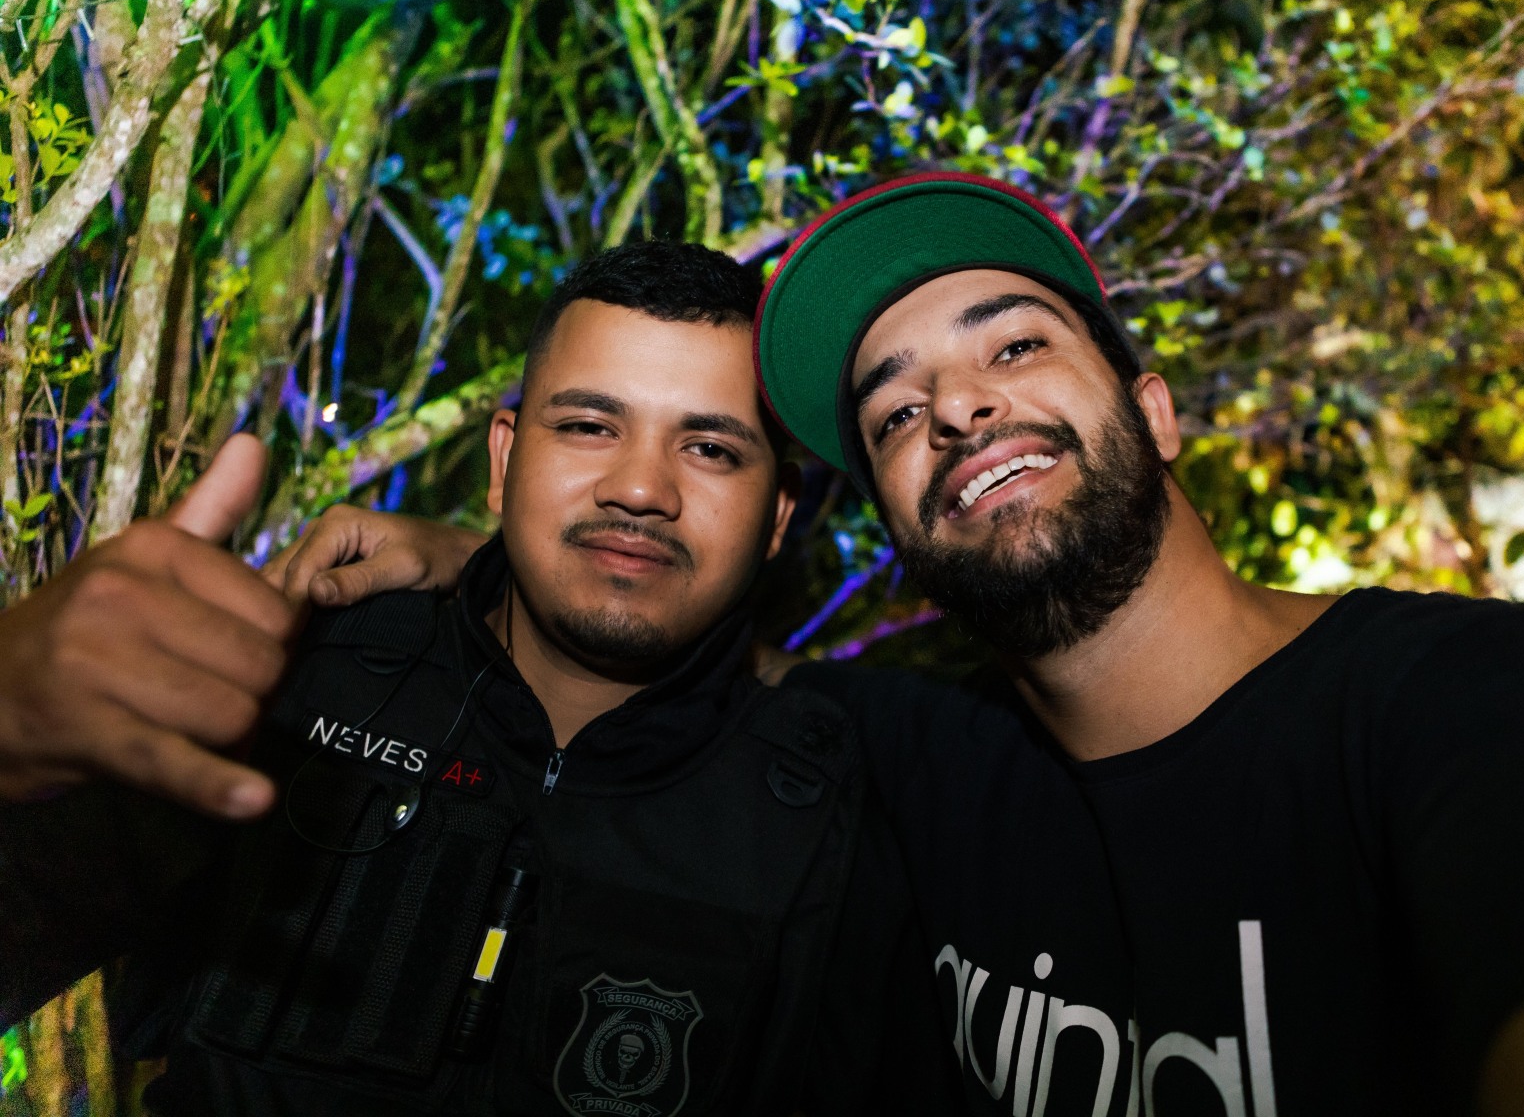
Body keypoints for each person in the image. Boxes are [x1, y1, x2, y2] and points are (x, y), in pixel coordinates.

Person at [274, 174, 1524, 1115]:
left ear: (1154, 411)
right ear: (892, 512)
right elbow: (649, 639)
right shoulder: (908, 761)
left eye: (1014, 344)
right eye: (895, 412)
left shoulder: (1475, 702)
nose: (957, 405)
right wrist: (475, 553)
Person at [0, 242, 946, 1116]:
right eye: (589, 425)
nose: (640, 488)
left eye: (710, 449)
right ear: (504, 459)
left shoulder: (835, 826)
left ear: (776, 518)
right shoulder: (288, 679)